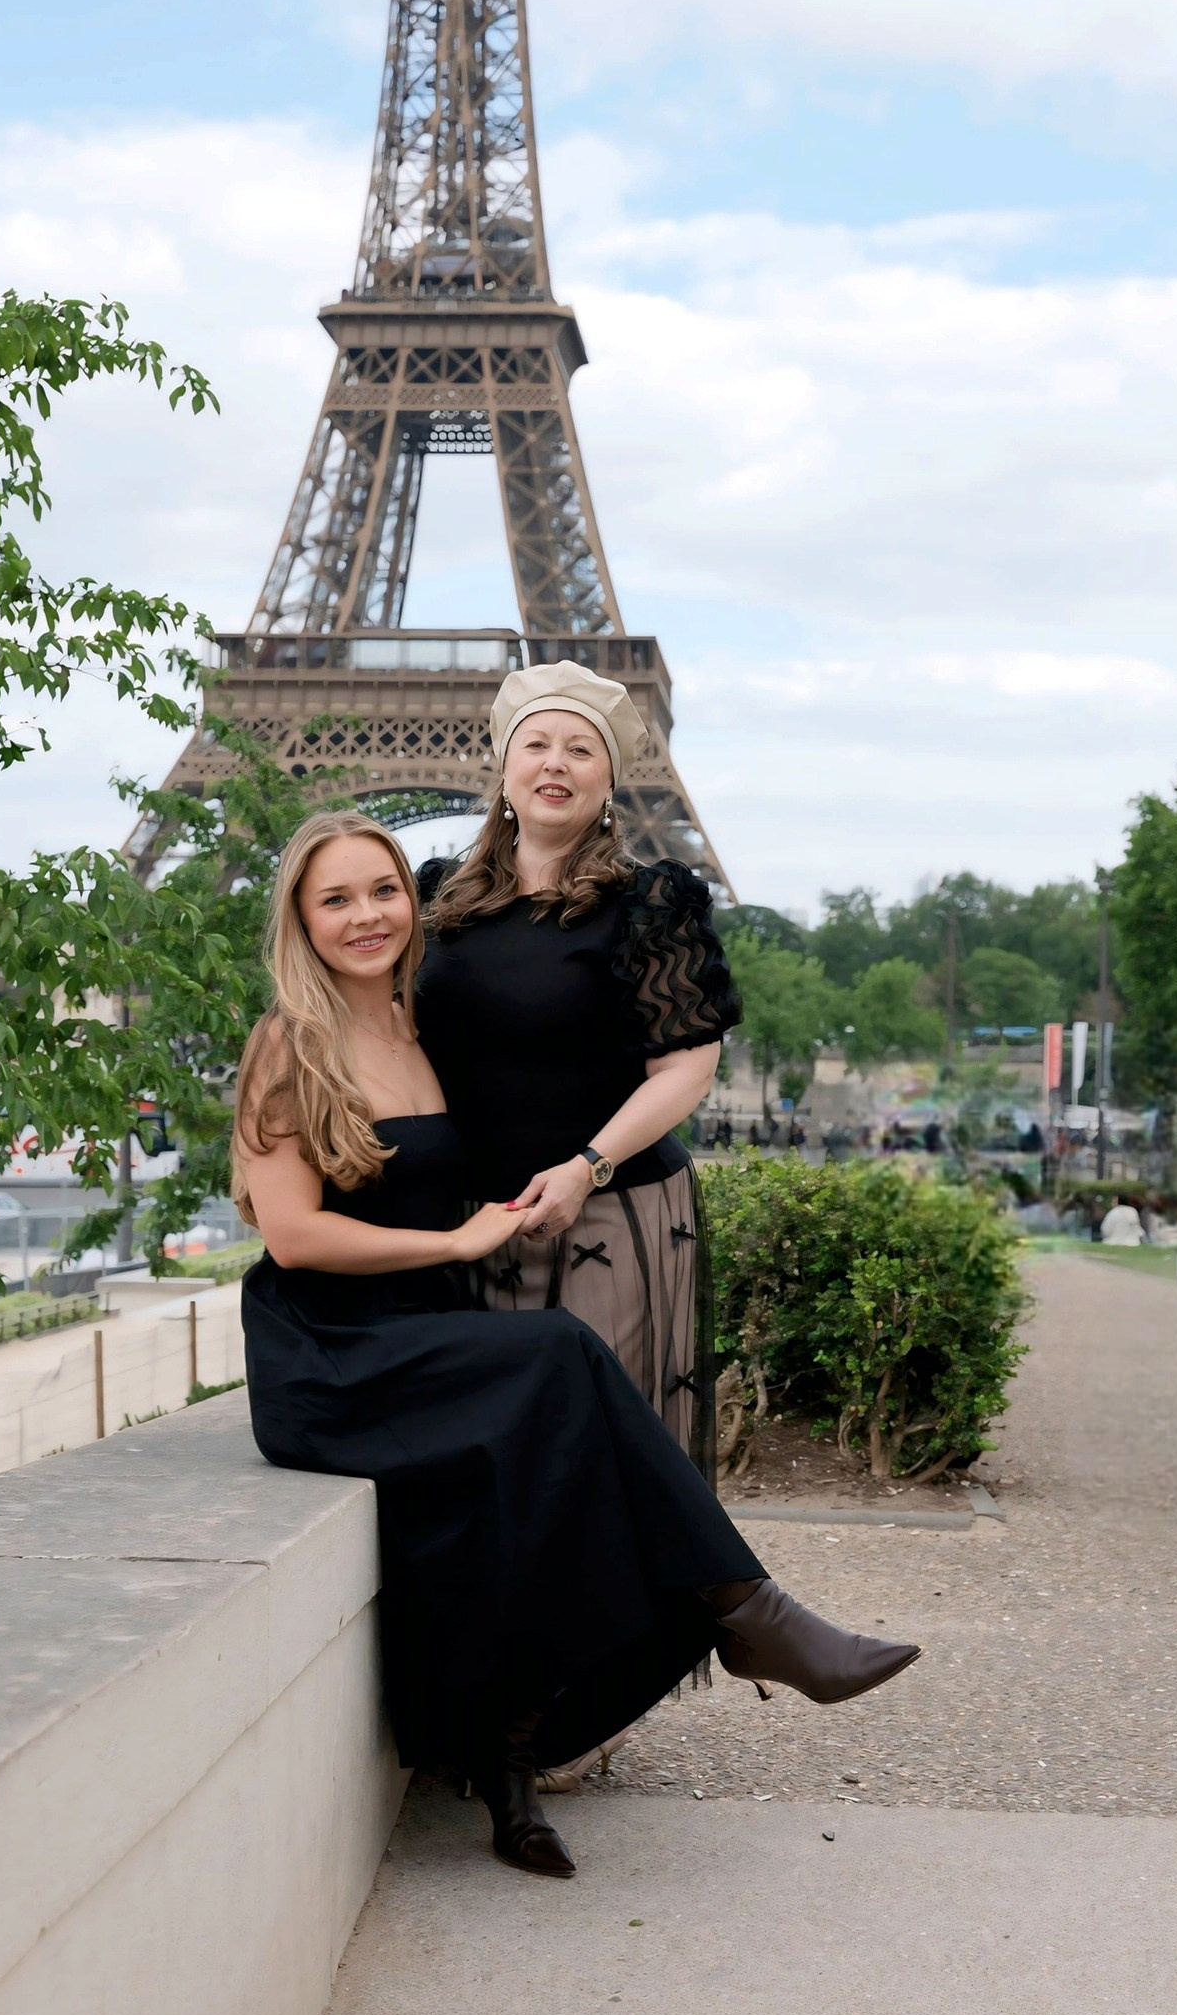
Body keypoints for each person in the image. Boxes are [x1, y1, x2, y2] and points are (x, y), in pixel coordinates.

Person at [235, 812, 921, 1882]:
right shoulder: (291, 1040)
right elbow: (290, 1232)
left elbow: (580, 1051)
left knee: (542, 1481)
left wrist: (590, 1165)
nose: (366, 915)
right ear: (300, 920)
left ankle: (512, 1768)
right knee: (558, 1357)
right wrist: (458, 1236)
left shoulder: (427, 1026)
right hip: (332, 1349)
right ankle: (745, 1609)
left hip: (427, 1329)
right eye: (336, 899)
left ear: (411, 903)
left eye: (382, 891)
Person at [416, 660, 736, 1484]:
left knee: (603, 1443)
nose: (556, 764)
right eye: (538, 745)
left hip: (609, 1214)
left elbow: (687, 1068)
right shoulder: (432, 900)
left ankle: (629, 1615)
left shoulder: (650, 903)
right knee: (495, 1453)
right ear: (505, 767)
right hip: (468, 1223)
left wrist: (586, 1169)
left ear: (609, 782)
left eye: (581, 751)